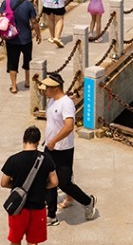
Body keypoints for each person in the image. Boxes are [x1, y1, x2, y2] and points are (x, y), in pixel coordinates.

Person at [1, 125, 58, 245]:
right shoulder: (46, 159)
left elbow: (3, 182)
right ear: (38, 141)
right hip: (38, 208)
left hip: (18, 210)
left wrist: (17, 188)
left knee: (15, 240)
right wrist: (41, 187)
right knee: (33, 242)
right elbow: (54, 182)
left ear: (23, 140)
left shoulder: (14, 159)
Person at [40, 72, 97, 226]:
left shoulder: (66, 103)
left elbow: (69, 126)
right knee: (49, 180)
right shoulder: (51, 101)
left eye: (48, 87)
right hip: (49, 147)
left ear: (56, 87)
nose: (45, 90)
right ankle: (51, 215)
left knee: (64, 183)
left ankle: (87, 201)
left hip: (63, 149)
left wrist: (54, 141)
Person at [1, 0, 38, 94]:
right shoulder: (28, 4)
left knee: (12, 62)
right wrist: (38, 34)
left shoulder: (6, 3)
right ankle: (27, 81)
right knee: (27, 60)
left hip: (11, 38)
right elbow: (34, 21)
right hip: (26, 38)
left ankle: (14, 86)